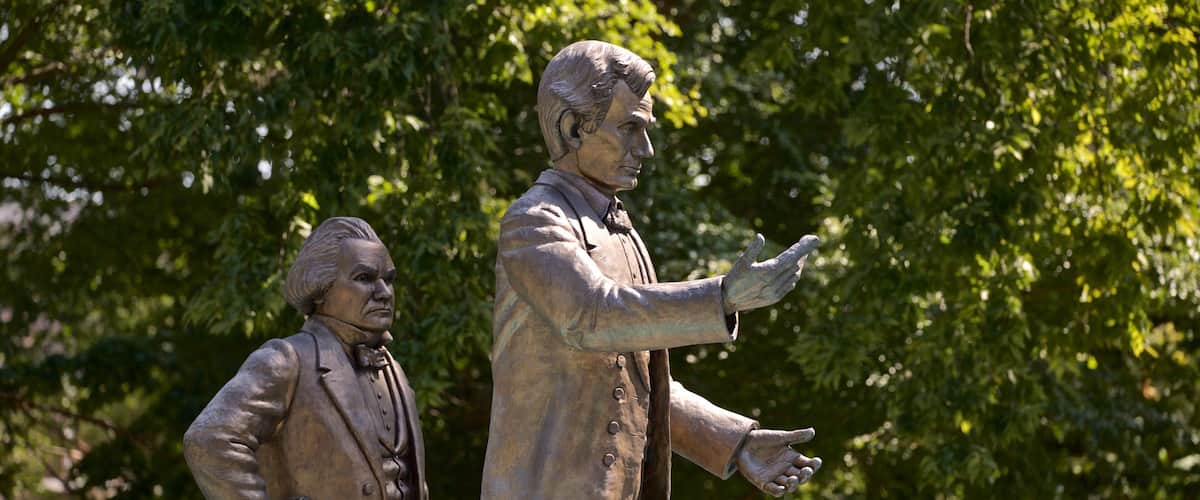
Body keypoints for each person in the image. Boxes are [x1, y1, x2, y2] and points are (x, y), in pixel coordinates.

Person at [482, 40, 822, 499]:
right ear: (572, 128)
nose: (646, 149)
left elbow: (639, 383)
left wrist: (736, 442)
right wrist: (721, 296)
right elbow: (591, 316)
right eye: (629, 128)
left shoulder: (623, 234)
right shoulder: (534, 220)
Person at [184, 217, 428, 500]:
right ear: (320, 287)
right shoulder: (288, 360)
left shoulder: (394, 372)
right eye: (364, 278)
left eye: (388, 279)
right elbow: (210, 439)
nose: (384, 293)